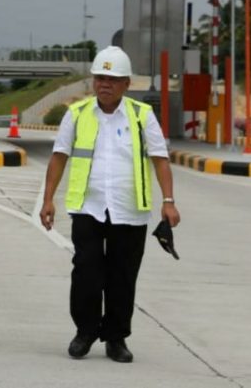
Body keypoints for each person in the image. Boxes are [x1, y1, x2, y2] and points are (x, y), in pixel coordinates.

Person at [39, 46, 181, 364]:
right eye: (100, 78)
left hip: (130, 210)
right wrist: (48, 199)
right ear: (93, 80)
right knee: (86, 273)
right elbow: (59, 156)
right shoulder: (76, 115)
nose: (105, 84)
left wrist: (168, 201)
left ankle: (116, 338)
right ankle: (85, 332)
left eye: (113, 79)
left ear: (126, 84)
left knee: (122, 276)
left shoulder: (142, 116)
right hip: (88, 208)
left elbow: (160, 159)